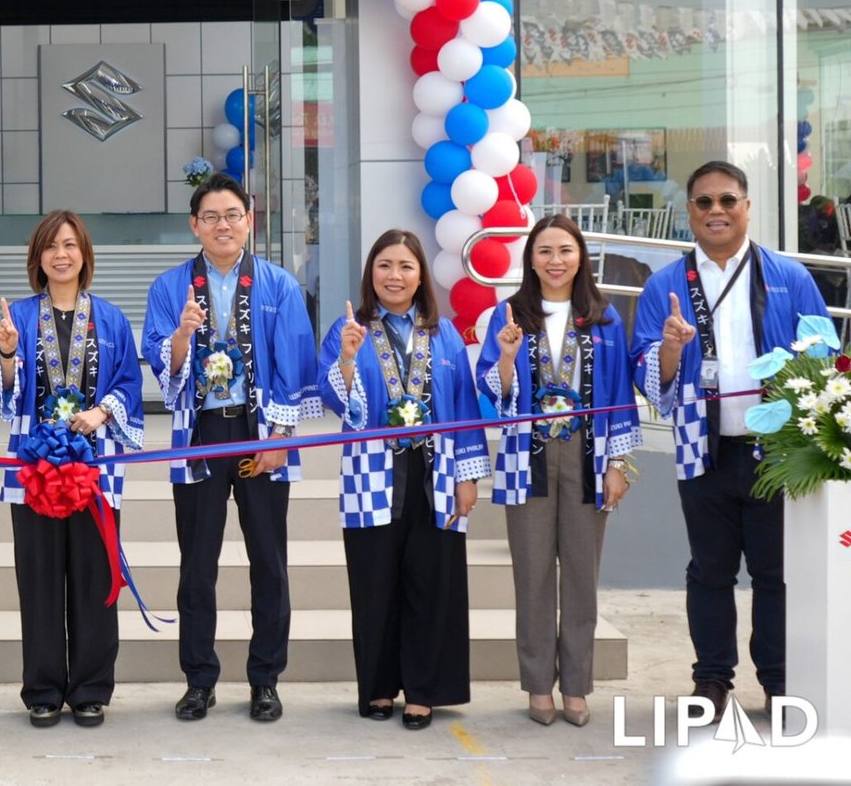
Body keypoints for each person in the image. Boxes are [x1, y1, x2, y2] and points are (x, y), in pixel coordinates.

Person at [631, 161, 829, 720]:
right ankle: (713, 680)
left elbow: (825, 355)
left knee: (776, 575)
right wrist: (671, 347)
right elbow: (646, 371)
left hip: (780, 455)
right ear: (689, 211)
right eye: (704, 202)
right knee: (710, 572)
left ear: (746, 207)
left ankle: (780, 681)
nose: (716, 211)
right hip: (703, 449)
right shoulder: (665, 285)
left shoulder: (790, 276)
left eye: (727, 200)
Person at [141, 173, 319, 724]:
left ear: (249, 221)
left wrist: (281, 438)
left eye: (233, 215)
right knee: (197, 564)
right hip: (200, 433)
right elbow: (161, 365)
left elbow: (295, 364)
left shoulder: (278, 284)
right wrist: (181, 336)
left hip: (258, 431)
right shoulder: (170, 287)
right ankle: (199, 680)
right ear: (194, 225)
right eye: (212, 217)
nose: (223, 225)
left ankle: (265, 679)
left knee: (269, 561)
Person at [317, 229, 490, 731]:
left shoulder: (444, 333)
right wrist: (347, 360)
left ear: (421, 276)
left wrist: (468, 477)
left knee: (431, 584)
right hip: (372, 475)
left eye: (405, 266)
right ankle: (378, 687)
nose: (394, 276)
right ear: (370, 273)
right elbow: (335, 403)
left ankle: (422, 691)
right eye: (385, 265)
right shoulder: (349, 328)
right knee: (373, 585)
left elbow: (464, 407)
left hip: (435, 475)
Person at [475, 215, 640, 728]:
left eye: (565, 250)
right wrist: (507, 358)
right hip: (527, 459)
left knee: (582, 579)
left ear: (581, 256)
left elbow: (619, 395)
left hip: (590, 458)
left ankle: (576, 686)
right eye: (544, 251)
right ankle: (537, 685)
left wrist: (618, 465)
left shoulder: (603, 319)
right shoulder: (509, 315)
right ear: (530, 259)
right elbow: (494, 392)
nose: (555, 261)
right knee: (532, 577)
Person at [0, 210, 144, 728]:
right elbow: (3, 391)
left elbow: (129, 383)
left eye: (70, 245)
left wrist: (102, 412)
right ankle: (43, 690)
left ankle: (91, 689)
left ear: (84, 254)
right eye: (51, 246)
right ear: (37, 257)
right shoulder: (20, 318)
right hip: (34, 470)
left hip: (94, 469)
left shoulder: (111, 319)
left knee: (95, 578)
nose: (61, 254)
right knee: (39, 581)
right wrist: (7, 354)